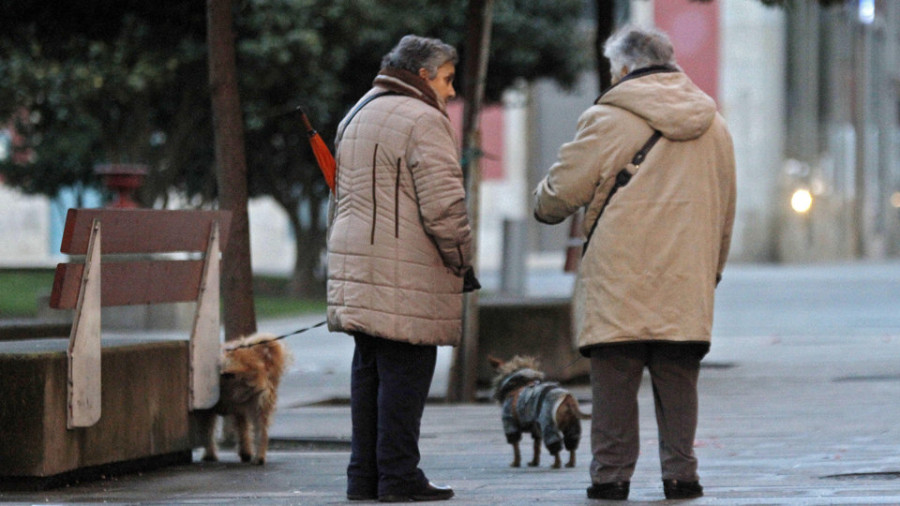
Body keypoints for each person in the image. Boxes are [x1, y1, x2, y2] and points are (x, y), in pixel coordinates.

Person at [533, 25, 736, 501]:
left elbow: (557, 198)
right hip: (686, 279)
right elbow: (725, 213)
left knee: (615, 384)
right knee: (679, 384)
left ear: (624, 68)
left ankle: (610, 477)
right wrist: (711, 272)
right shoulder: (715, 125)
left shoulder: (606, 120)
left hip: (617, 279)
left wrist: (541, 199)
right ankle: (681, 475)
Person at [326, 34, 479, 503]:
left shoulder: (357, 112)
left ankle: (364, 476)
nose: (451, 92)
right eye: (448, 80)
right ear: (424, 75)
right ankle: (399, 476)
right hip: (405, 266)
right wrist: (463, 261)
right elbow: (443, 207)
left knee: (369, 369)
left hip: (357, 262)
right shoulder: (424, 120)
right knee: (407, 371)